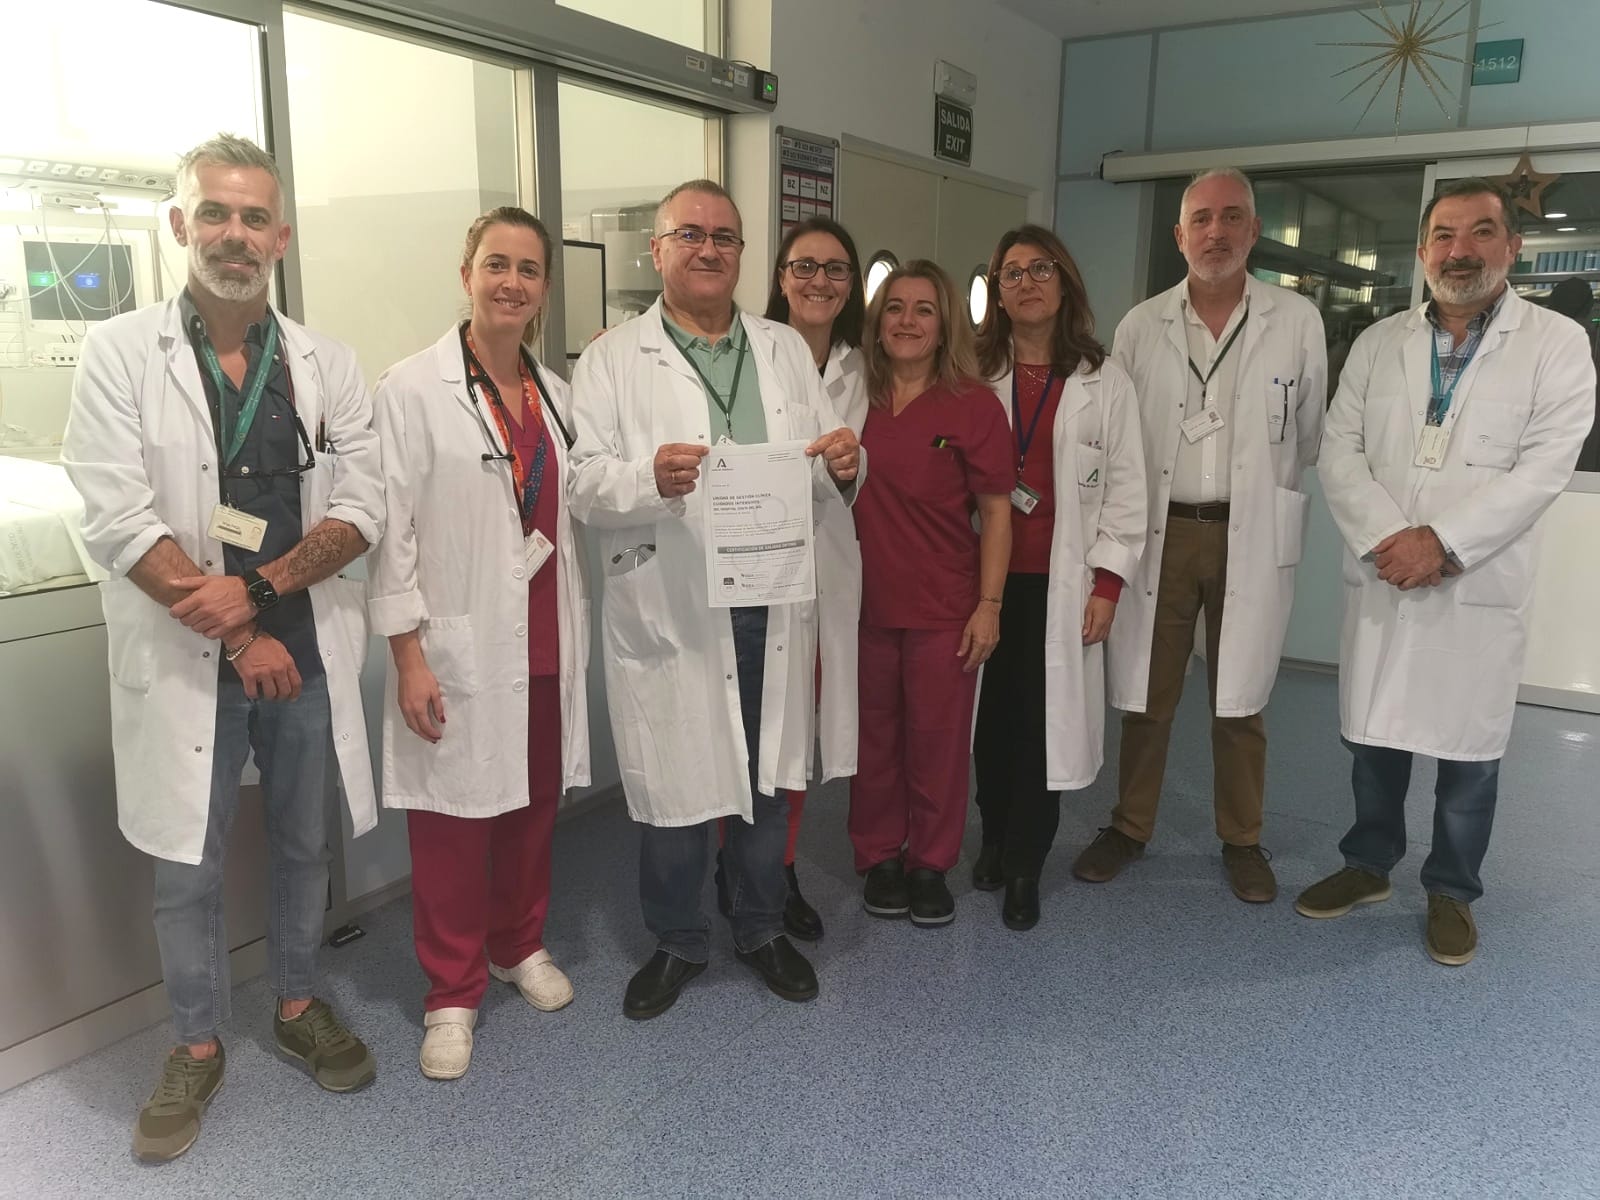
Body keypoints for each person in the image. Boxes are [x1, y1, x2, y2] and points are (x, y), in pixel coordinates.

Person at [60, 134, 383, 1161]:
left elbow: (364, 506)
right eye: (214, 213)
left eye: (253, 218)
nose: (234, 234)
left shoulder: (328, 364)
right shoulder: (120, 354)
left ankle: (297, 1005)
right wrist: (242, 632)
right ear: (179, 225)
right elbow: (117, 518)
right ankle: (196, 1044)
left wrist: (260, 593)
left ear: (281, 237)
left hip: (307, 647)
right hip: (187, 655)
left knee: (301, 844)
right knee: (187, 865)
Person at [568, 180, 862, 1019]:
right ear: (657, 250)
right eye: (690, 234)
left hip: (770, 597)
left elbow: (823, 461)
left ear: (741, 253)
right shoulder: (613, 359)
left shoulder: (782, 349)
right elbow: (583, 483)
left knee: (767, 777)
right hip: (674, 602)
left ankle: (760, 925)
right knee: (675, 781)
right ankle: (677, 939)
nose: (709, 249)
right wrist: (647, 478)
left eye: (725, 236)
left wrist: (847, 463)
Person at [1298, 178, 1595, 965]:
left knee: (1469, 753)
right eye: (1445, 235)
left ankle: (1453, 890)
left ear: (1513, 247)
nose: (1461, 251)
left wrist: (1443, 543)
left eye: (1481, 233)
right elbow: (1340, 450)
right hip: (1388, 573)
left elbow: (1544, 468)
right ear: (1424, 249)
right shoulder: (1379, 343)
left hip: (1473, 579)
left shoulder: (1555, 345)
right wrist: (1391, 539)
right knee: (1375, 741)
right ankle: (1368, 865)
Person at [368, 207, 590, 1078]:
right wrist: (408, 656)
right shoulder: (411, 389)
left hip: (542, 637)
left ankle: (517, 944)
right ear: (467, 273)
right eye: (497, 264)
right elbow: (391, 534)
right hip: (457, 642)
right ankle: (451, 993)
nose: (512, 282)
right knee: (452, 827)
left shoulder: (555, 394)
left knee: (531, 810)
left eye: (529, 269)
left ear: (544, 288)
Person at [1077, 166, 1327, 903]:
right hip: (1165, 532)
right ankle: (1129, 826)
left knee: (1239, 699)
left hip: (1247, 531)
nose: (1217, 232)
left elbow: (1308, 433)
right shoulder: (1140, 325)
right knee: (1147, 694)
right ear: (1179, 235)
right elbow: (1119, 439)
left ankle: (1242, 839)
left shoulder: (1296, 321)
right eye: (1202, 220)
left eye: (1232, 217)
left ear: (1254, 230)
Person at [970, 226, 1146, 930]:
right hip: (982, 581)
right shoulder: (973, 372)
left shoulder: (1105, 380)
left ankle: (1024, 866)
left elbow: (1128, 491)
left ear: (1065, 281)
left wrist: (1107, 586)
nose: (1027, 282)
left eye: (1040, 268)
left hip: (1063, 583)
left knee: (1042, 730)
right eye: (1011, 273)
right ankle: (991, 838)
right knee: (990, 722)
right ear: (998, 293)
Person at [710, 215, 867, 943]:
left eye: (835, 269)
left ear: (851, 284)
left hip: (825, 561)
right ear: (779, 277)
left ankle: (779, 868)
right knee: (738, 723)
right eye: (804, 266)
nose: (819, 281)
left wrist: (850, 463)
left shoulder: (867, 366)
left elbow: (857, 465)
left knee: (792, 727)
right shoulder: (745, 351)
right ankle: (735, 865)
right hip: (747, 569)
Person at [848, 259, 1014, 926]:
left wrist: (989, 605)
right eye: (894, 307)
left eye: (923, 309)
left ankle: (929, 863)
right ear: (877, 320)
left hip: (944, 603)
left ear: (945, 324)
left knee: (937, 743)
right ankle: (879, 855)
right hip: (863, 602)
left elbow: (997, 512)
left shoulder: (973, 405)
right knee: (873, 739)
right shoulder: (852, 395)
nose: (907, 321)